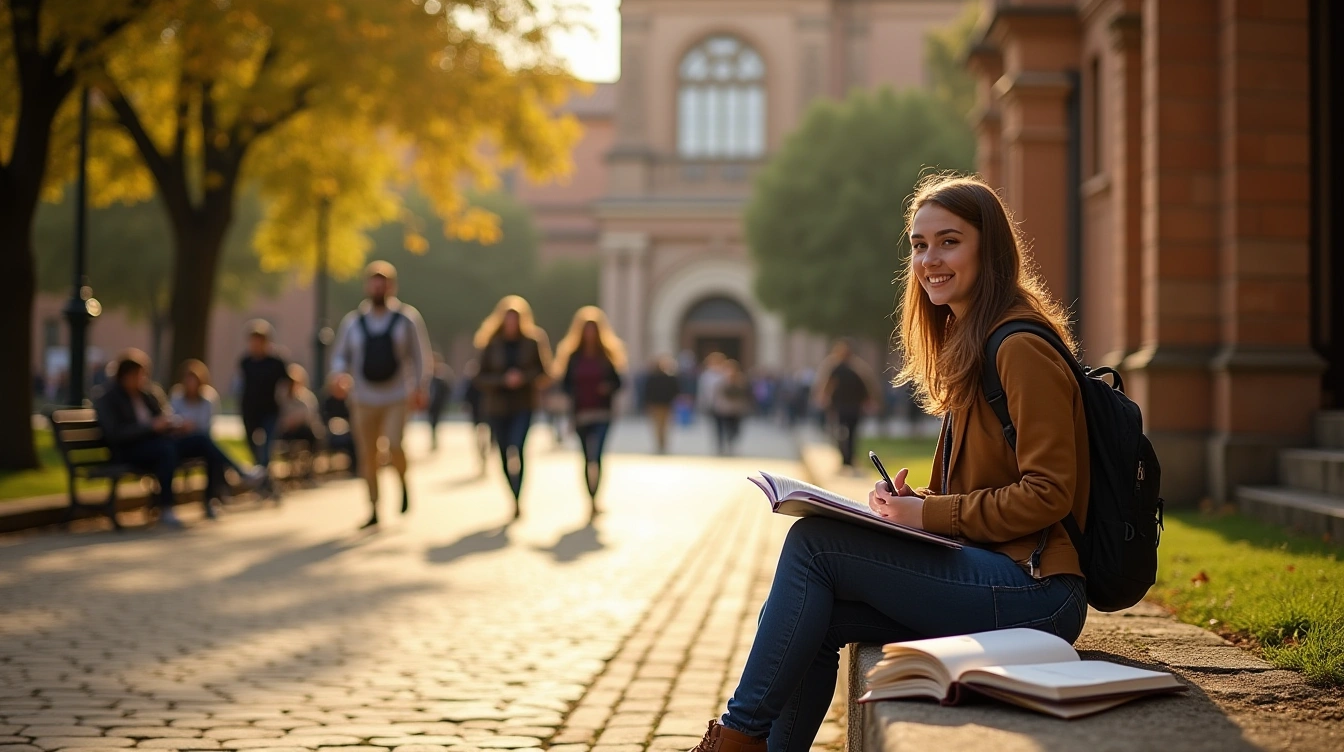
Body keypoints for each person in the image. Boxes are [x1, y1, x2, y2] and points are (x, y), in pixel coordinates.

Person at [688, 174, 1090, 752]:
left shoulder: (1017, 347)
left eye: (949, 241)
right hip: (998, 571)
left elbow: (1049, 493)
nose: (930, 260)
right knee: (812, 618)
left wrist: (929, 516)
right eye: (919, 245)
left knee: (815, 545)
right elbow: (984, 489)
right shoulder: (974, 343)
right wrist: (913, 505)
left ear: (990, 249)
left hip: (1039, 592)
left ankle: (737, 737)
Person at [95, 350, 264, 527]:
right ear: (126, 376)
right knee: (166, 451)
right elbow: (115, 433)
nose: (143, 379)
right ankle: (166, 507)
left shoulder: (147, 394)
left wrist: (175, 424)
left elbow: (164, 417)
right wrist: (151, 427)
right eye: (139, 375)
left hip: (159, 442)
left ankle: (225, 487)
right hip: (130, 450)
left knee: (201, 439)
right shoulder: (109, 398)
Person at [330, 261, 433, 529]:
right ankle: (374, 506)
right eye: (374, 283)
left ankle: (402, 479)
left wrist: (420, 386)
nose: (378, 288)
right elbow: (340, 355)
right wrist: (339, 375)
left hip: (396, 396)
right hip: (362, 398)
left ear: (391, 287)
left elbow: (420, 356)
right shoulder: (353, 322)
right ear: (367, 286)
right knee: (368, 454)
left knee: (395, 444)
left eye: (383, 284)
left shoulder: (406, 319)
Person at [472, 295, 552, 520]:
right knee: (504, 452)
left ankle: (519, 496)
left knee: (518, 447)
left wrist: (523, 378)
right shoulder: (491, 343)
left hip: (523, 405)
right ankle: (513, 496)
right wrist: (502, 380)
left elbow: (544, 372)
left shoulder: (532, 342)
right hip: (497, 407)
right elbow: (479, 377)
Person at [553, 306, 626, 518]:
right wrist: (574, 394)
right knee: (586, 457)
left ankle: (597, 496)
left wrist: (607, 388)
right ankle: (590, 499)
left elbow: (619, 382)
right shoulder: (573, 357)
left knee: (598, 455)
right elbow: (565, 384)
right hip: (581, 413)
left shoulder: (607, 356)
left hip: (602, 412)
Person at [812, 339, 881, 474]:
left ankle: (846, 459)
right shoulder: (857, 368)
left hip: (843, 407)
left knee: (842, 433)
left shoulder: (839, 368)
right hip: (851, 407)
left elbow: (828, 385)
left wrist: (823, 398)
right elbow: (867, 387)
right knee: (851, 434)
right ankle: (848, 459)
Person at [237, 320, 289, 497]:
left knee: (267, 448)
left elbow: (288, 382)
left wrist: (287, 401)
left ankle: (263, 482)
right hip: (250, 410)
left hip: (270, 410)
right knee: (253, 447)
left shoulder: (276, 362)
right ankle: (265, 482)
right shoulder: (245, 362)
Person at [711, 360, 754, 456]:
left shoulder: (741, 381)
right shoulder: (721, 381)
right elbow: (717, 395)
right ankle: (722, 446)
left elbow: (746, 395)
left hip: (736, 409)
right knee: (723, 428)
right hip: (723, 409)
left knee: (735, 429)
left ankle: (731, 443)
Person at [169, 359, 219, 437]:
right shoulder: (177, 396)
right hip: (180, 435)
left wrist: (192, 425)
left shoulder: (207, 400)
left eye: (193, 381)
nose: (190, 384)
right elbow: (171, 416)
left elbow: (206, 423)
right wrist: (182, 424)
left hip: (199, 436)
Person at [277, 364, 324, 446]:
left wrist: (297, 420)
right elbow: (280, 416)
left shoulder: (308, 397)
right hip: (286, 430)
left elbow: (311, 416)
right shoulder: (282, 397)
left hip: (304, 429)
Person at [459, 360, 491, 476]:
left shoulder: (486, 383)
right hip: (477, 415)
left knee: (485, 437)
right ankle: (482, 456)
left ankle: (485, 455)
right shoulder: (471, 384)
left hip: (486, 415)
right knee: (480, 437)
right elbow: (466, 398)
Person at [320, 372, 357, 472]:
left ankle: (355, 467)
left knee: (354, 440)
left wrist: (345, 423)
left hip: (348, 431)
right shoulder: (327, 401)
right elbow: (324, 418)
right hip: (332, 432)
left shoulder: (349, 401)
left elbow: (353, 418)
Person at [643, 356, 681, 454]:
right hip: (662, 404)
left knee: (659, 425)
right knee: (662, 425)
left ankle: (661, 443)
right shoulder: (666, 378)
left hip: (661, 404)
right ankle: (661, 443)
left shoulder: (655, 378)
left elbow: (648, 391)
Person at [426, 354, 453, 451]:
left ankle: (435, 440)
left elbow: (447, 389)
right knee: (431, 423)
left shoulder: (441, 377)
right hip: (430, 404)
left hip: (438, 403)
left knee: (435, 422)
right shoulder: (428, 375)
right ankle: (433, 440)